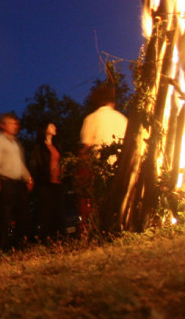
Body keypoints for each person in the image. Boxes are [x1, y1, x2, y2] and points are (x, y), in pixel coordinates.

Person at [77, 82, 128, 235]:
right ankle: (121, 229)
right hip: (121, 168)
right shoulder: (122, 119)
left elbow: (85, 148)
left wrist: (83, 173)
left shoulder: (91, 119)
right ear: (112, 101)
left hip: (99, 169)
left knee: (100, 204)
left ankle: (103, 232)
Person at [0, 113, 33, 250]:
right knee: (4, 216)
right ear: (3, 125)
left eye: (16, 123)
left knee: (23, 214)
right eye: (12, 123)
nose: (15, 126)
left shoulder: (15, 143)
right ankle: (2, 247)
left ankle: (21, 244)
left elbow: (19, 163)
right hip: (5, 182)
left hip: (18, 183)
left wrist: (28, 177)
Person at [28, 122, 65, 241]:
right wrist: (32, 179)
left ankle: (60, 238)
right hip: (45, 182)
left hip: (58, 182)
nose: (55, 127)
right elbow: (34, 164)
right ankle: (45, 238)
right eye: (51, 126)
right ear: (45, 129)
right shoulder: (39, 147)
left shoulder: (57, 145)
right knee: (46, 211)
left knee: (58, 210)